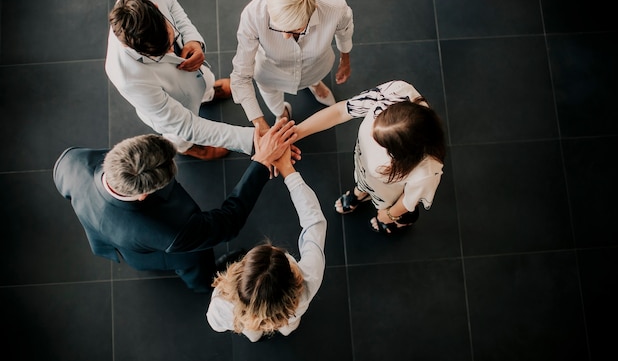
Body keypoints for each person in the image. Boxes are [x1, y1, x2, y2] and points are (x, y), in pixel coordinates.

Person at [53, 119, 298, 293]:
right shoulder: (171, 231)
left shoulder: (70, 162)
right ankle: (205, 284)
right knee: (196, 267)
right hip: (161, 252)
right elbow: (227, 223)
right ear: (143, 195)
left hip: (106, 235)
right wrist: (261, 162)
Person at [106, 0, 251, 161]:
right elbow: (185, 125)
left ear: (156, 8)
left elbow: (171, 3)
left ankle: (209, 92)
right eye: (159, 54)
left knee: (205, 83)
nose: (171, 51)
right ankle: (189, 149)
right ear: (129, 47)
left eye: (169, 39)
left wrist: (192, 40)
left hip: (195, 76)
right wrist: (249, 139)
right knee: (179, 136)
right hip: (171, 108)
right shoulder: (127, 77)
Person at [206, 146, 327, 341]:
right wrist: (288, 169)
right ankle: (287, 328)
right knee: (289, 325)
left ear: (240, 272)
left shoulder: (223, 302)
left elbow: (215, 323)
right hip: (290, 314)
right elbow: (314, 223)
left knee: (252, 333)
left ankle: (254, 334)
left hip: (246, 322)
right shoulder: (309, 278)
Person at [296, 80, 446, 235]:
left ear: (401, 153)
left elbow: (408, 199)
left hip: (390, 194)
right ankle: (361, 192)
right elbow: (341, 111)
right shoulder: (396, 93)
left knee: (403, 213)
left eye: (381, 142)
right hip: (365, 173)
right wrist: (293, 134)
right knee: (363, 182)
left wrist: (389, 214)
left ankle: (402, 221)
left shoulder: (427, 170)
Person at [230, 0, 354, 134]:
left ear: (313, 11)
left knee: (315, 74)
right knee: (271, 95)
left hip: (315, 65)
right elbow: (240, 76)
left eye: (295, 29)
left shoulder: (336, 8)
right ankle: (281, 113)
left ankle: (315, 84)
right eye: (278, 27)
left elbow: (344, 32)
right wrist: (259, 123)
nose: (285, 36)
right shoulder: (253, 14)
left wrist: (345, 60)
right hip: (270, 71)